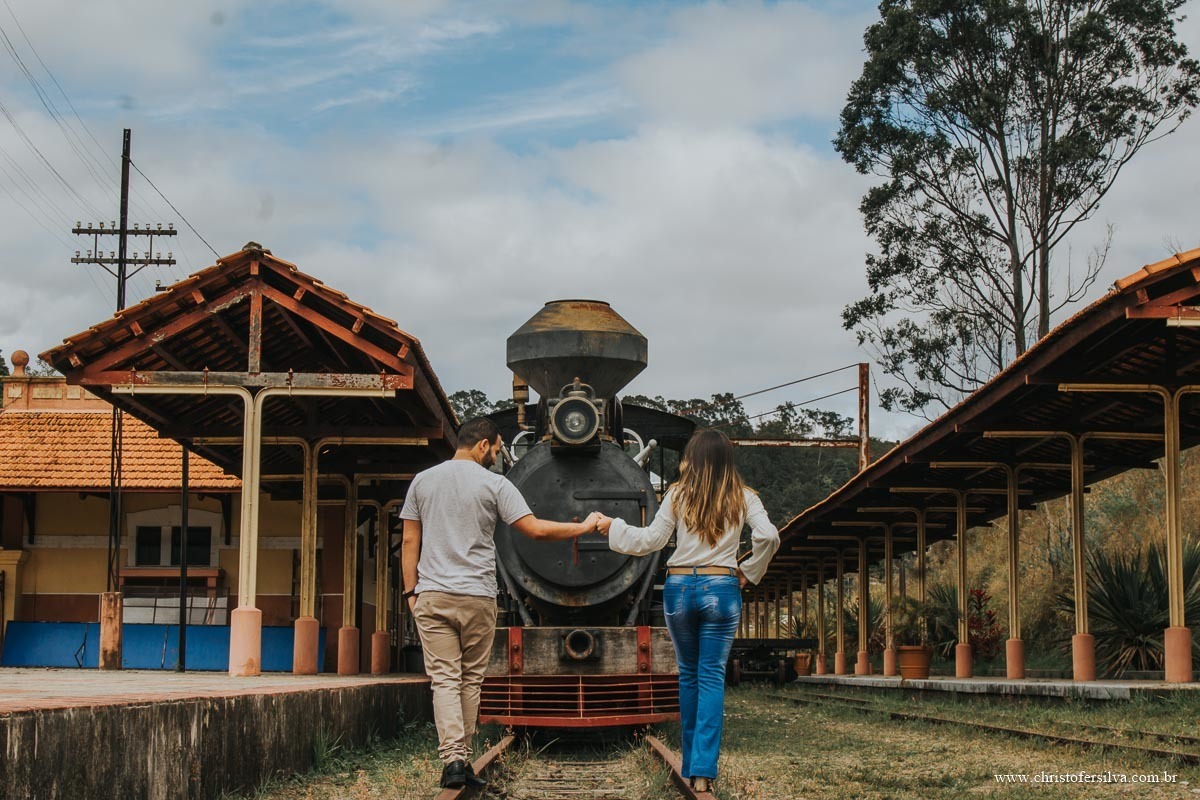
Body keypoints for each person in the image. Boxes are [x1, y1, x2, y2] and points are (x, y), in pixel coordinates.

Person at [400, 417, 602, 791]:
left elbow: (410, 541)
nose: (495, 456)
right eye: (495, 449)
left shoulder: (422, 481)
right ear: (482, 445)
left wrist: (411, 593)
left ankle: (454, 760)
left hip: (433, 595)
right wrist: (583, 527)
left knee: (444, 678)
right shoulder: (494, 484)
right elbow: (535, 530)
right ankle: (461, 757)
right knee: (470, 679)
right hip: (476, 596)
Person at [595, 428, 778, 793]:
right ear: (727, 460)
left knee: (689, 677)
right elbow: (769, 536)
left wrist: (612, 526)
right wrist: (749, 571)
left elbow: (651, 540)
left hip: (679, 589)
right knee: (711, 677)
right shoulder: (744, 497)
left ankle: (691, 762)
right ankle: (703, 771)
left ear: (691, 459)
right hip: (721, 588)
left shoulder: (678, 495)